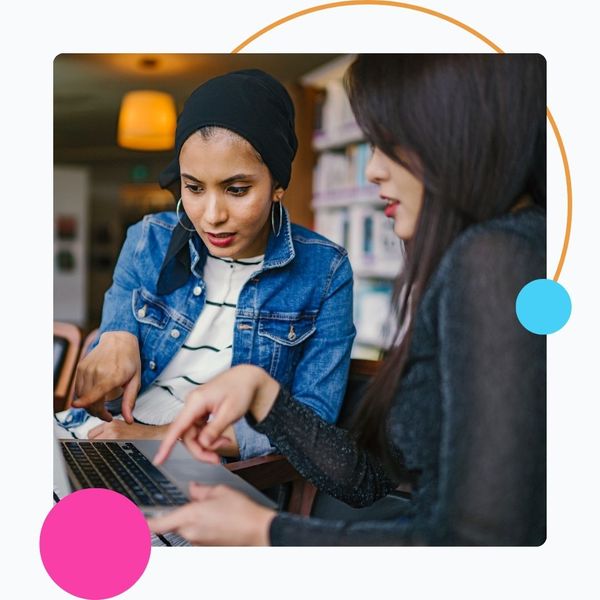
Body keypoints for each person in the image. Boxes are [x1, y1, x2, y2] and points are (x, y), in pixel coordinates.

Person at [148, 54, 546, 545]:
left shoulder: (497, 258)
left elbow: (480, 549)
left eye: (390, 143)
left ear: (459, 132)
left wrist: (264, 533)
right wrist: (261, 392)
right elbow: (365, 483)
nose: (374, 169)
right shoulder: (497, 254)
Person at [64, 69, 356, 460]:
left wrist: (159, 436)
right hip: (110, 436)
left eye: (237, 190)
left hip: (208, 469)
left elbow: (310, 425)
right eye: (194, 188)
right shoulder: (149, 237)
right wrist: (116, 334)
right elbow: (116, 327)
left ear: (278, 186)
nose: (211, 216)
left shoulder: (326, 271)